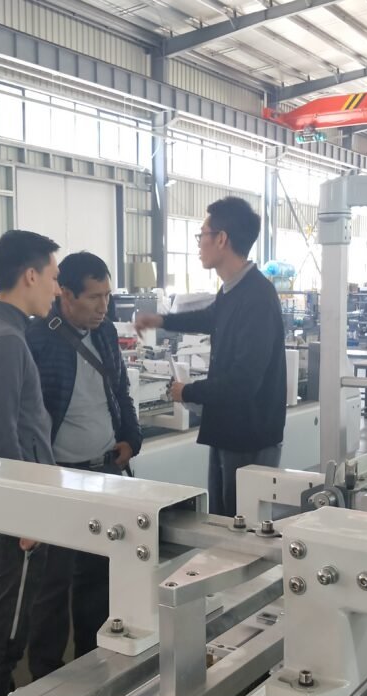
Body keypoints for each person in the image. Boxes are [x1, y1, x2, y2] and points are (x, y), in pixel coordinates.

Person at [24, 250, 143, 679]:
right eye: (94, 297)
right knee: (53, 585)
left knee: (99, 578)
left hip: (106, 472)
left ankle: (93, 665)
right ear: (65, 294)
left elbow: (120, 391)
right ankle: (47, 677)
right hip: (62, 477)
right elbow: (29, 417)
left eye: (107, 296)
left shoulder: (106, 332)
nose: (103, 306)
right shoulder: (38, 339)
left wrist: (131, 438)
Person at [135, 196, 286, 517]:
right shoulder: (234, 289)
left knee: (242, 527)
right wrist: (161, 320)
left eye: (202, 235)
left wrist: (188, 392)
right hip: (229, 428)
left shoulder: (257, 297)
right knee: (221, 522)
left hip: (248, 436)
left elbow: (244, 381)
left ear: (221, 239)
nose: (199, 245)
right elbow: (211, 317)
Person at [0, 229, 61, 696]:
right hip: (14, 516)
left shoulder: (0, 332)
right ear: (30, 276)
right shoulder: (5, 341)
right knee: (5, 632)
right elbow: (0, 436)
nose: (57, 289)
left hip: (10, 502)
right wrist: (24, 515)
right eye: (53, 278)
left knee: (5, 623)